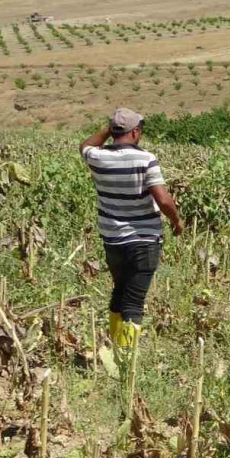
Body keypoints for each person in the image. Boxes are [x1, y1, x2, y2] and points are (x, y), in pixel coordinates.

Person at [80, 108, 184, 350]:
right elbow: (164, 200)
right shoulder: (145, 159)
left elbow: (84, 145)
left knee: (120, 290)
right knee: (134, 300)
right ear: (135, 132)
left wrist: (109, 128)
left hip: (112, 239)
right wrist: (176, 222)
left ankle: (116, 345)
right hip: (144, 240)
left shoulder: (97, 157)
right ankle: (126, 357)